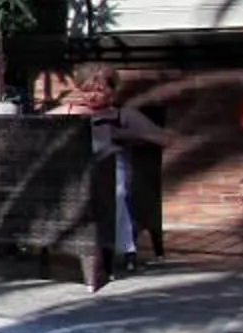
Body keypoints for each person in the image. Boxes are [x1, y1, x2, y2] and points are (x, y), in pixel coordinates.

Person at [50, 64, 164, 260]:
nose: (92, 96)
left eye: (99, 90)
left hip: (110, 168)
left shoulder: (122, 115)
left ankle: (115, 244)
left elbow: (163, 137)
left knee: (114, 189)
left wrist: (120, 134)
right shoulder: (68, 110)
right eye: (86, 91)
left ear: (112, 90)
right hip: (74, 173)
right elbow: (34, 126)